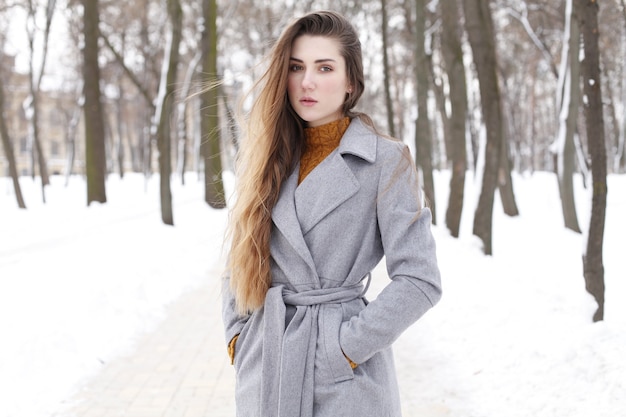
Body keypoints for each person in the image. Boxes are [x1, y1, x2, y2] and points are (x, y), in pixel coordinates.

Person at [221, 10, 441, 417]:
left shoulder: (385, 161)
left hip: (343, 381)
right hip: (267, 363)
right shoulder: (267, 157)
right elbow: (239, 256)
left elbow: (420, 279)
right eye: (296, 67)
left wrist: (345, 349)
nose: (307, 81)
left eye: (324, 67)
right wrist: (240, 337)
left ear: (350, 82)